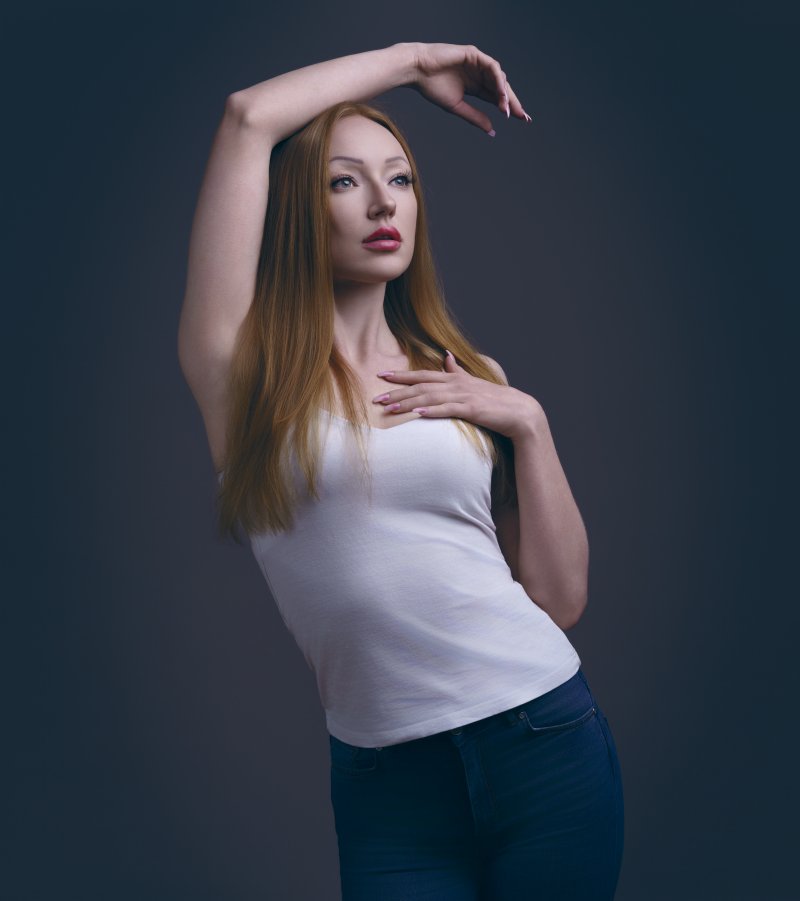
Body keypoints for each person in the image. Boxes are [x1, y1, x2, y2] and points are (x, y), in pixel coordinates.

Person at [177, 41, 624, 900]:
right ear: (297, 208)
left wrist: (529, 424)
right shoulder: (242, 375)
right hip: (389, 783)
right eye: (345, 181)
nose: (384, 202)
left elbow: (560, 601)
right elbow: (247, 117)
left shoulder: (467, 375)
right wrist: (417, 60)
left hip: (545, 740)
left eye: (402, 178)